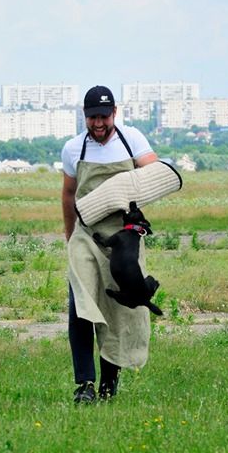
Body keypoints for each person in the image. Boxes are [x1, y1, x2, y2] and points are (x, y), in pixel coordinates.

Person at [61, 85, 158, 403]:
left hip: (124, 242)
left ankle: (108, 383)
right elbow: (68, 194)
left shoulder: (133, 141)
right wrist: (69, 235)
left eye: (103, 117)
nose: (98, 124)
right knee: (81, 307)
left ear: (115, 113)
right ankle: (84, 385)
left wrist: (136, 216)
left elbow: (154, 175)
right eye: (92, 118)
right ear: (84, 117)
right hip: (87, 237)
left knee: (119, 311)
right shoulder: (74, 149)